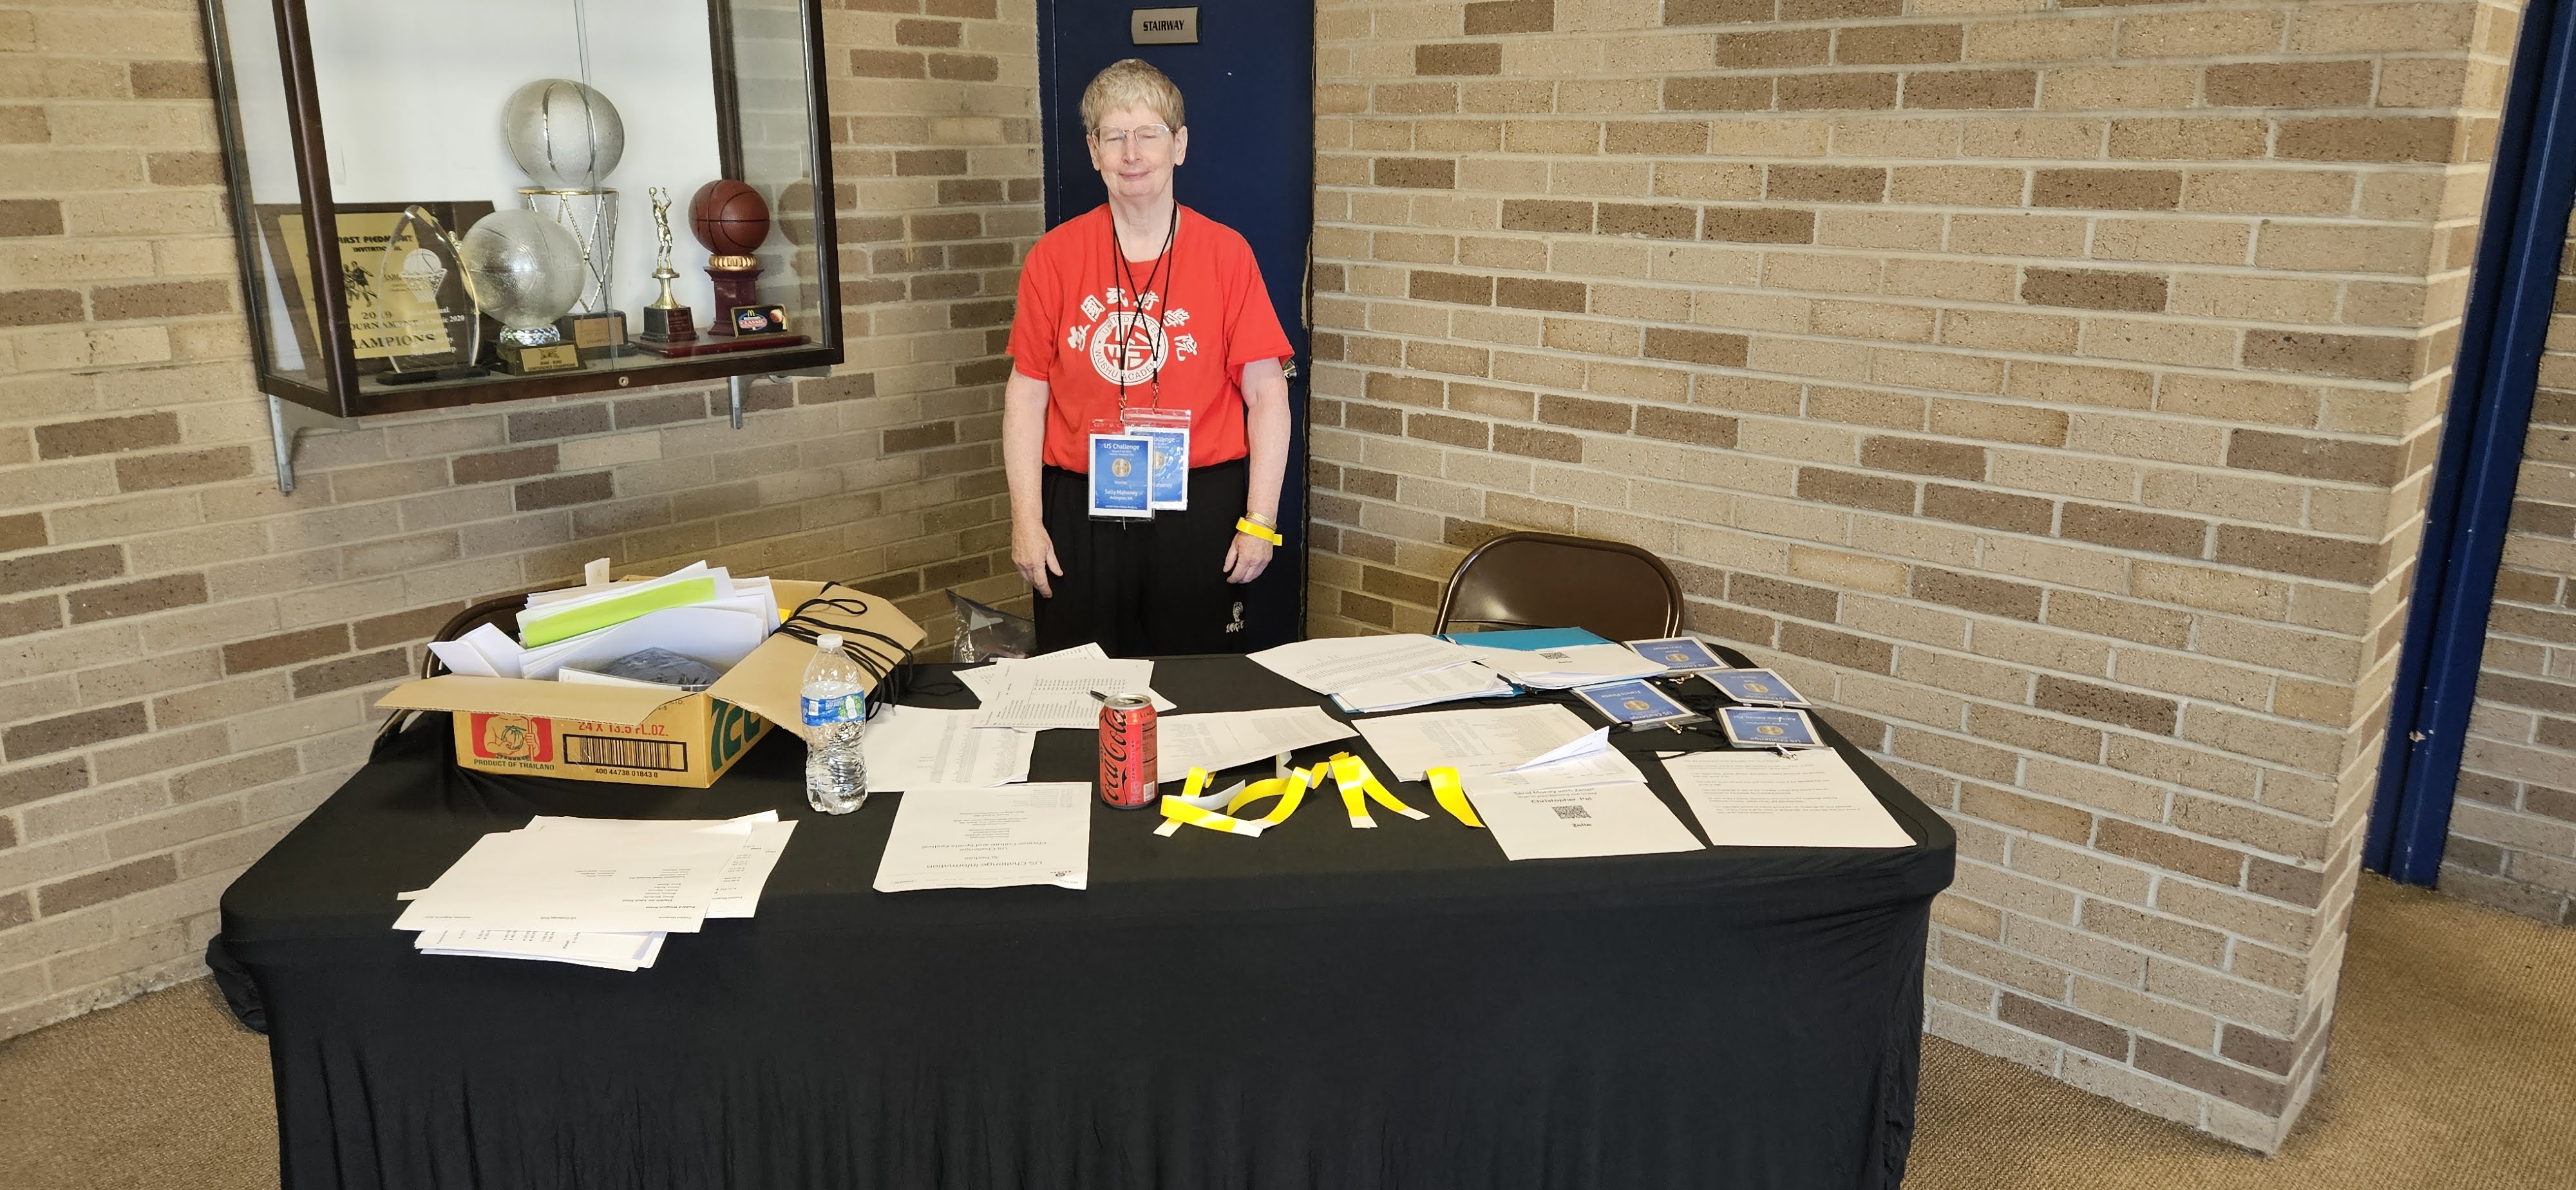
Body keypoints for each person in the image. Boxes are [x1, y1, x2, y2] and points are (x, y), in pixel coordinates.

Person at [1003, 59, 1294, 657]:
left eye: (1149, 134)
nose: (1132, 153)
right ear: (1094, 152)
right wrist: (1026, 522)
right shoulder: (1054, 258)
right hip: (1081, 507)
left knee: (1199, 682)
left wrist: (1261, 520)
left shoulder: (1226, 254)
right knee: (1077, 684)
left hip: (1199, 506)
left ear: (1179, 145)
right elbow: (1027, 396)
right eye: (1114, 136)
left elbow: (1268, 395)